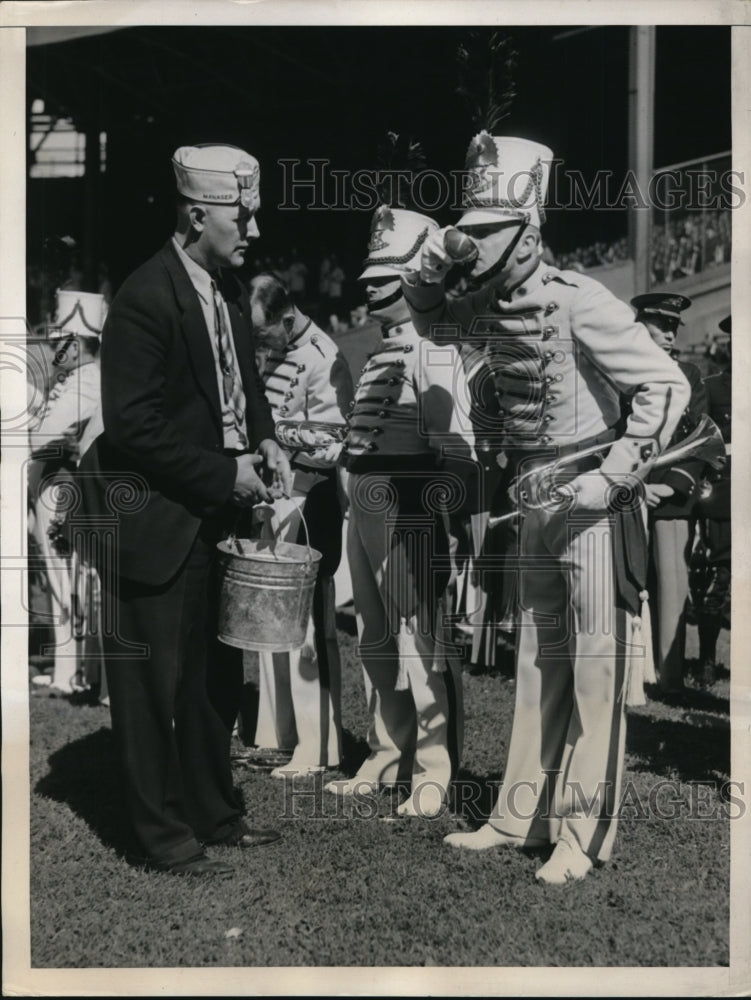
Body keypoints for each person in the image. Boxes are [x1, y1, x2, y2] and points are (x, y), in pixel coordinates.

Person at [402, 133, 690, 880]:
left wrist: (617, 475)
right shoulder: (489, 301)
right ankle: (519, 817)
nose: (474, 249)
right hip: (533, 497)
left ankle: (581, 836)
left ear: (527, 236)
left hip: (591, 498)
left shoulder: (580, 299)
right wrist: (423, 272)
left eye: (489, 234)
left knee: (594, 669)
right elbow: (431, 323)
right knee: (537, 661)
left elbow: (664, 385)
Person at [78, 144, 292, 878]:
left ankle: (214, 812)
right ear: (198, 214)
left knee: (212, 677)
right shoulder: (145, 297)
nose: (254, 229)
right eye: (243, 215)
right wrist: (225, 473)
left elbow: (246, 384)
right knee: (151, 687)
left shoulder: (226, 291)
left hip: (212, 514)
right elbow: (133, 425)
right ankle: (163, 837)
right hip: (153, 520)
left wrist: (265, 438)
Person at [324, 205, 473, 818]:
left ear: (412, 282)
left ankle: (435, 769)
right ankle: (389, 755)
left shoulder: (432, 350)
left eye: (383, 280)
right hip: (364, 502)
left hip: (407, 505)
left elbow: (454, 449)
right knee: (376, 640)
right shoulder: (384, 350)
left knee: (422, 641)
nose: (369, 290)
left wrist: (446, 522)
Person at [248, 272, 354, 777]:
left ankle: (318, 745)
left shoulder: (323, 356)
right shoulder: (277, 349)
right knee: (271, 624)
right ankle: (278, 734)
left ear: (287, 319)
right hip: (273, 499)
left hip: (308, 502)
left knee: (309, 629)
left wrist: (272, 437)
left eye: (264, 333)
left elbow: (335, 439)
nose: (261, 343)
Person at [28, 290, 107, 696]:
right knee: (62, 579)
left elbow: (41, 436)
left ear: (76, 345)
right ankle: (70, 670)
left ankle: (75, 674)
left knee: (68, 580)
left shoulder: (87, 382)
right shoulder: (76, 380)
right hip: (52, 483)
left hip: (62, 489)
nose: (53, 348)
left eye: (60, 341)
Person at [630, 293, 708, 696]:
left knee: (671, 586)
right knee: (625, 581)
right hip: (626, 489)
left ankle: (668, 676)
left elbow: (700, 439)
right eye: (661, 325)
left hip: (669, 495)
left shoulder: (688, 374)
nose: (670, 334)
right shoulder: (618, 370)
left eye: (674, 326)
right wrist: (632, 483)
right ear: (640, 324)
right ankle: (629, 674)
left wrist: (670, 485)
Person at [694, 315, 731, 685]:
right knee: (719, 579)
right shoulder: (712, 388)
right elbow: (702, 440)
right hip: (726, 496)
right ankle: (707, 659)